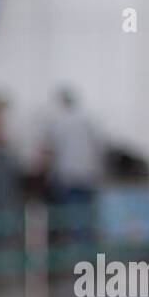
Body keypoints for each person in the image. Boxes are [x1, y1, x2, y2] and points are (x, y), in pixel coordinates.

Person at [40, 87, 102, 217]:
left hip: (68, 176)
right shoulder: (87, 121)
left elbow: (49, 150)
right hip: (88, 175)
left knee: (71, 217)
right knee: (85, 215)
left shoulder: (59, 123)